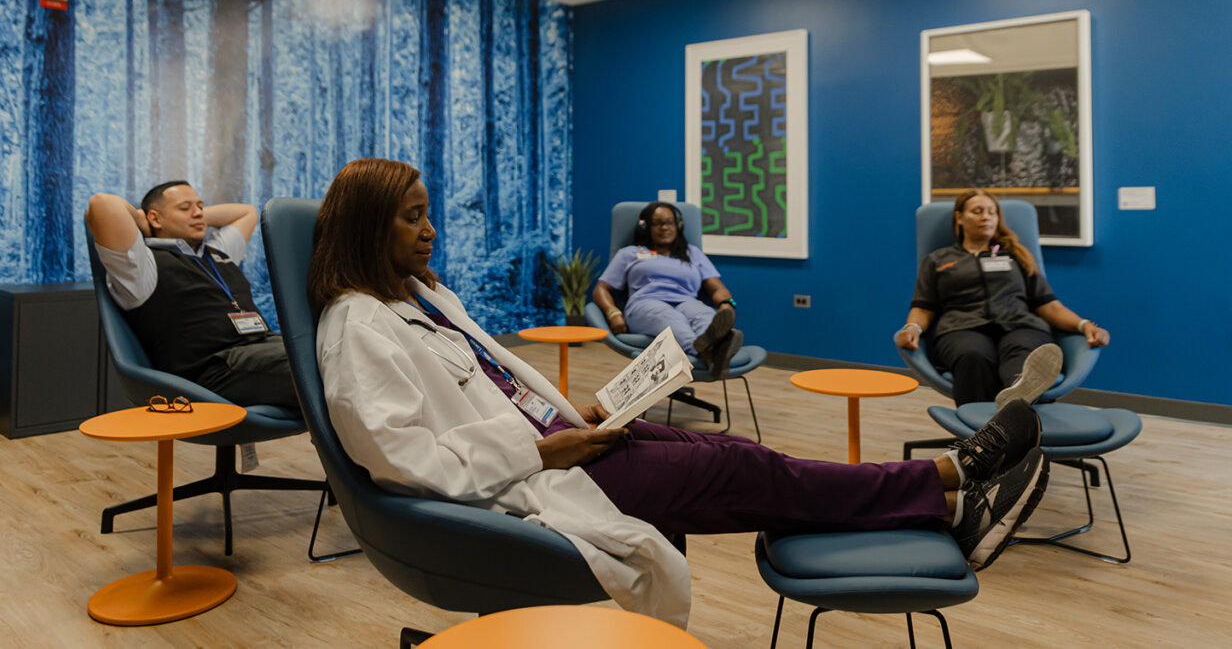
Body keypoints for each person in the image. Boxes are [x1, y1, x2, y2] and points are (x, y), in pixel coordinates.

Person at [309, 158, 1050, 627]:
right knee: (748, 474)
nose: (432, 230)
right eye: (413, 217)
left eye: (427, 212)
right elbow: (402, 459)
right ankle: (950, 481)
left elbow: (494, 385)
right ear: (370, 227)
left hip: (559, 443)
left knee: (738, 454)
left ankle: (941, 498)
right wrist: (545, 445)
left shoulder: (419, 298)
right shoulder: (356, 328)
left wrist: (581, 411)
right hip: (528, 479)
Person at [86, 181, 298, 409]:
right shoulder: (142, 265)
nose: (198, 213)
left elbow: (247, 212)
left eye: (200, 206)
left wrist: (194, 214)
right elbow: (102, 204)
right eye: (185, 208)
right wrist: (141, 220)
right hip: (214, 370)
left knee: (326, 349)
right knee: (318, 367)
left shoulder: (217, 253)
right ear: (155, 218)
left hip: (264, 348)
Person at [895, 188, 1110, 407]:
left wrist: (1084, 325)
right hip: (961, 328)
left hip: (1020, 325)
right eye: (977, 211)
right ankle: (983, 430)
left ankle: (1017, 403)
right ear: (959, 218)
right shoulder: (938, 259)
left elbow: (1049, 305)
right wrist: (912, 328)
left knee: (1024, 359)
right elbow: (923, 306)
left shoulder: (1016, 255)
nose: (986, 217)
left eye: (992, 212)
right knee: (972, 356)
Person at [592, 202, 741, 377]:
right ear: (645, 227)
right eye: (657, 223)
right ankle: (709, 354)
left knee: (705, 315)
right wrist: (613, 313)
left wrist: (726, 304)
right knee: (672, 318)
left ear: (678, 226)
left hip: (687, 302)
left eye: (669, 222)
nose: (664, 227)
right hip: (645, 303)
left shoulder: (692, 252)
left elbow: (716, 287)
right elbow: (601, 289)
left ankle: (710, 350)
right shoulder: (629, 253)